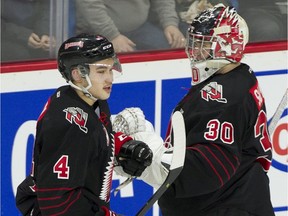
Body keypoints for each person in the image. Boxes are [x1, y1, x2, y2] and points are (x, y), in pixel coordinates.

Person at [115, 4, 275, 216]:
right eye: (194, 42)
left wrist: (145, 151)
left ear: (226, 45)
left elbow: (203, 172)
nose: (194, 51)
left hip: (225, 208)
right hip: (238, 200)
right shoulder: (238, 77)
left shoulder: (222, 97)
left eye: (203, 44)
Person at [15, 34, 153, 216]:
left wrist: (121, 146)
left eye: (111, 69)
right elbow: (58, 204)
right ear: (78, 74)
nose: (109, 79)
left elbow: (94, 135)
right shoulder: (67, 124)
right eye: (102, 71)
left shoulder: (87, 99)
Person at [74, 0, 186, 53]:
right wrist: (112, 35)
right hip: (96, 31)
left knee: (169, 50)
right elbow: (89, 5)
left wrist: (170, 24)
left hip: (139, 28)